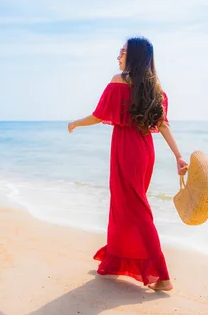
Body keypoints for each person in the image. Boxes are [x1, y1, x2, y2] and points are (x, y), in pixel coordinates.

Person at [68, 37, 187, 291]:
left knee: (135, 208)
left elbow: (99, 115)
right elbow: (164, 124)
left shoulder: (119, 81)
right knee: (128, 204)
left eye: (122, 52)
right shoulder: (155, 89)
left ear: (132, 56)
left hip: (126, 149)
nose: (118, 56)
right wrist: (178, 156)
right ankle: (116, 259)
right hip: (145, 151)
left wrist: (76, 122)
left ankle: (162, 275)